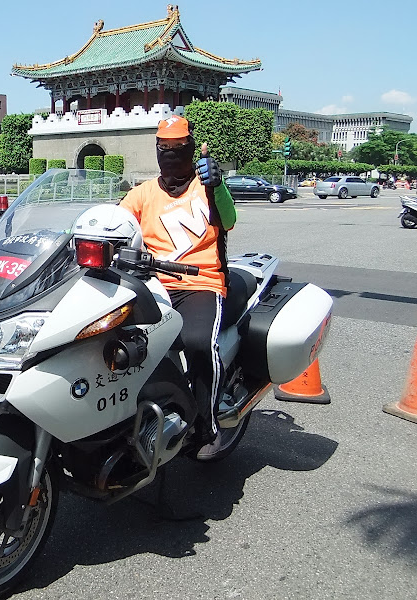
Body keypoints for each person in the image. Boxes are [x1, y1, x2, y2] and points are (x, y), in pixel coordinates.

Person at [119, 114, 236, 461]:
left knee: (199, 343)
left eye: (179, 147)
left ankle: (208, 425)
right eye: (164, 147)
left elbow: (228, 220)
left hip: (202, 282)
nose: (171, 154)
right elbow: (116, 224)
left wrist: (219, 186)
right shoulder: (142, 193)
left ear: (192, 147)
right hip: (152, 285)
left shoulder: (207, 185)